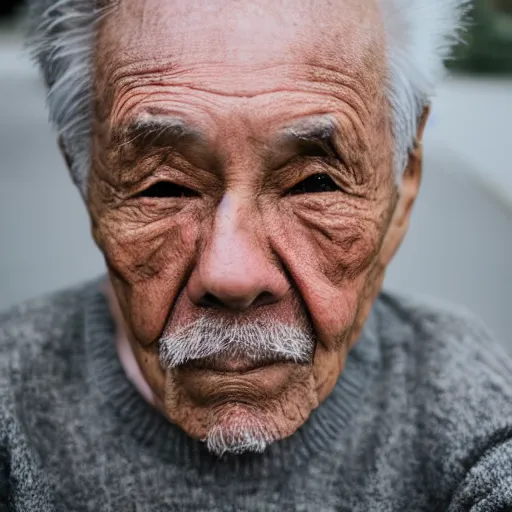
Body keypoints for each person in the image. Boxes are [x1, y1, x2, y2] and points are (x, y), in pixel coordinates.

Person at [1, 0, 511, 510]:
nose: (232, 274)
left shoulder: (473, 423)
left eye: (314, 183)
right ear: (88, 185)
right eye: (165, 187)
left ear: (402, 183)